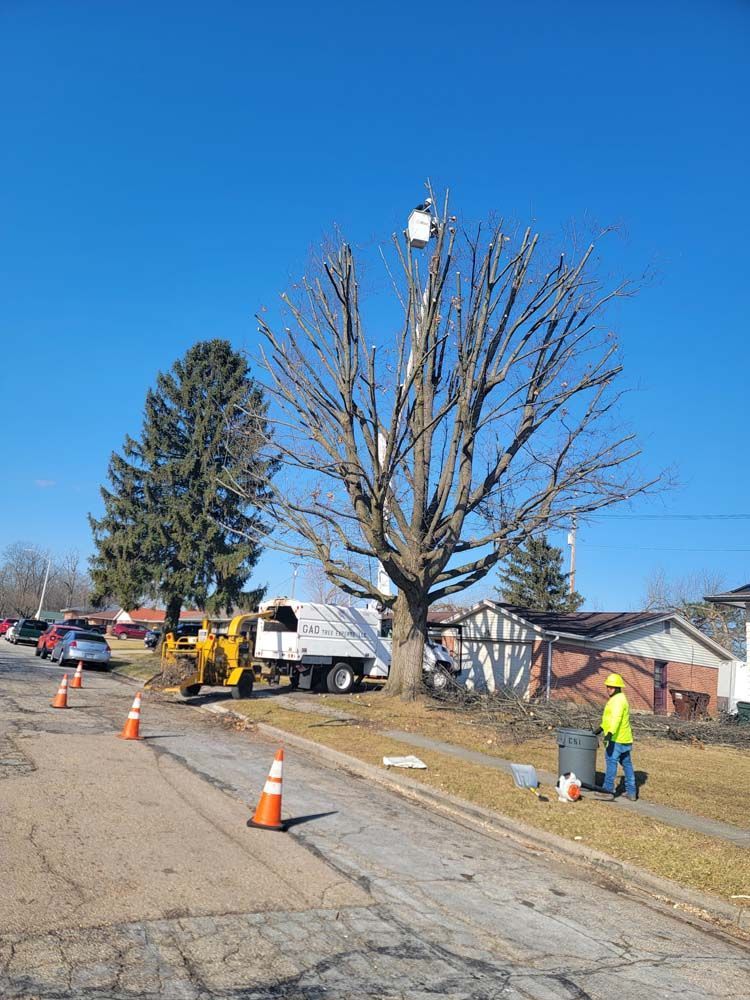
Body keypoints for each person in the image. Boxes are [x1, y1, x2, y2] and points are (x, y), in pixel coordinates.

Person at [594, 673, 638, 801]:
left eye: (612, 687)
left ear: (618, 688)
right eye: (608, 686)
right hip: (625, 739)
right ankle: (631, 792)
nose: (609, 689)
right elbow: (610, 718)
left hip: (616, 739)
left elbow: (616, 719)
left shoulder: (618, 701)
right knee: (627, 765)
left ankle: (607, 790)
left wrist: (609, 734)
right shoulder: (619, 699)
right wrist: (601, 728)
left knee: (611, 762)